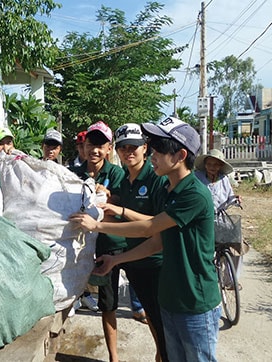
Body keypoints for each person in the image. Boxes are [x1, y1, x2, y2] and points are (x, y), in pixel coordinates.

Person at [70, 117, 221, 362]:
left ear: (181, 155)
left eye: (159, 149)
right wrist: (116, 259)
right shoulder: (171, 190)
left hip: (195, 301)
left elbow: (148, 227)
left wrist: (97, 224)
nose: (153, 154)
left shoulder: (193, 193)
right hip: (171, 298)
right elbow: (156, 241)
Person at [98, 122, 168, 362]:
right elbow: (119, 212)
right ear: (116, 150)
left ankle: (162, 356)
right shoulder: (125, 181)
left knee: (159, 320)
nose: (129, 152)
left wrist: (120, 209)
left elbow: (157, 223)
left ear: (145, 148)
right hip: (134, 259)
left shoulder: (156, 178)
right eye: (123, 147)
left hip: (156, 263)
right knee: (149, 315)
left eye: (134, 147)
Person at [69, 120, 126, 362]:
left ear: (109, 148)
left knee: (141, 300)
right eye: (91, 144)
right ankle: (114, 357)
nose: (95, 150)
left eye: (101, 145)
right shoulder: (74, 175)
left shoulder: (116, 173)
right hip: (86, 246)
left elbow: (127, 205)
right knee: (108, 303)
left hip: (116, 244)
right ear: (84, 146)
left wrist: (111, 197)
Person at [195, 148, 244, 279]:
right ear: (205, 165)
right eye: (209, 164)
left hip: (220, 219)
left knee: (237, 243)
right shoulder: (197, 177)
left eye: (216, 164)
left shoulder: (224, 179)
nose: (212, 167)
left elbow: (230, 197)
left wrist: (236, 199)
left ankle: (231, 279)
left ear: (220, 166)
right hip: (201, 220)